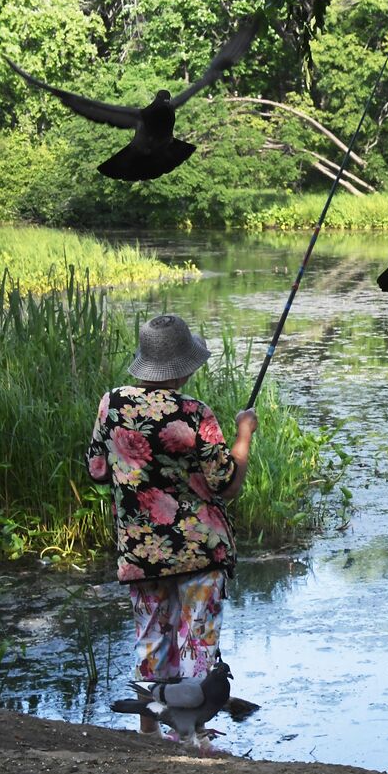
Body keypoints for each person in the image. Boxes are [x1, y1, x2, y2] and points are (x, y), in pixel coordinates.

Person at [86, 313, 257, 735]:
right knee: (197, 644)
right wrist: (244, 433)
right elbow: (226, 485)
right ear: (184, 366)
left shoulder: (112, 403)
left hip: (140, 550)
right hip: (200, 550)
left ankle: (149, 731)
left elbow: (96, 470)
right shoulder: (196, 413)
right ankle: (194, 733)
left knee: (152, 640)